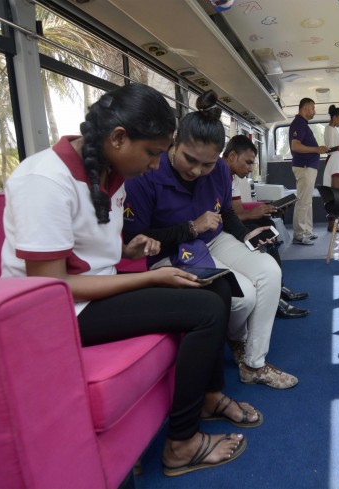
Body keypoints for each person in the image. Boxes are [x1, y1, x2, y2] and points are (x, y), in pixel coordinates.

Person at [0, 84, 258, 476]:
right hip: (53, 311)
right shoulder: (44, 180)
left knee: (216, 288)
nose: (156, 165)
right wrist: (148, 281)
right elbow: (52, 286)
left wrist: (126, 253)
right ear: (119, 138)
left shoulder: (108, 174)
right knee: (204, 309)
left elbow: (82, 252)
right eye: (153, 153)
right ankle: (182, 444)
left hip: (89, 295)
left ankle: (209, 396)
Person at [123, 90, 298, 389]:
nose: (196, 171)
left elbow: (226, 210)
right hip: (170, 251)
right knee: (244, 298)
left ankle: (254, 364)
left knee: (270, 271)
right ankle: (237, 341)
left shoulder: (218, 170)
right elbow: (136, 240)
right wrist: (191, 227)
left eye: (206, 165)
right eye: (190, 160)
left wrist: (246, 234)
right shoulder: (145, 176)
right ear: (174, 143)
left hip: (214, 240)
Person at [223, 134, 309, 319]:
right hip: (221, 228)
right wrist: (250, 214)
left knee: (267, 222)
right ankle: (275, 297)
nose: (250, 169)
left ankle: (278, 286)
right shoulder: (217, 175)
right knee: (262, 228)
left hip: (231, 221)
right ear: (231, 157)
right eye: (247, 163)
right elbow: (226, 215)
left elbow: (236, 210)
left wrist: (265, 209)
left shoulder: (235, 179)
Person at [290, 97, 329, 245]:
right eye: (313, 108)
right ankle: (299, 234)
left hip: (309, 167)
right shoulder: (298, 123)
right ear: (305, 108)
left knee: (308, 201)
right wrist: (317, 149)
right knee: (303, 201)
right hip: (304, 167)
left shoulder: (303, 125)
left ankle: (307, 231)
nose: (314, 111)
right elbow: (295, 146)